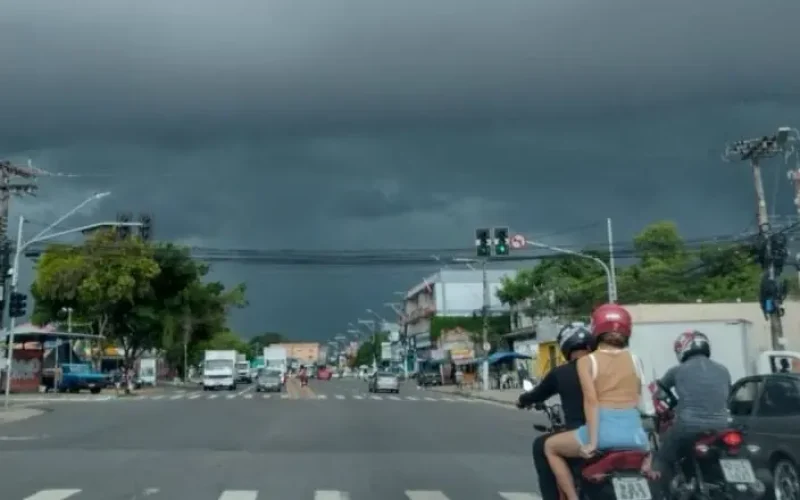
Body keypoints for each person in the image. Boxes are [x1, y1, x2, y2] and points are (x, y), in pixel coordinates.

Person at [544, 303, 650, 500]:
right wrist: (647, 446)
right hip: (635, 436)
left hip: (604, 434)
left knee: (550, 447)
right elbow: (639, 401)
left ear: (596, 329)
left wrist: (592, 442)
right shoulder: (636, 360)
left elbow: (591, 402)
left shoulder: (588, 361)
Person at [516, 322, 593, 500]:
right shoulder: (603, 368)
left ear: (566, 348)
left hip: (581, 433)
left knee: (541, 446)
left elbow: (537, 394)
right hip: (616, 432)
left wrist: (521, 400)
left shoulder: (561, 373)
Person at [654, 330, 731, 481]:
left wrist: (669, 405)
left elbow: (659, 394)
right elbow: (728, 395)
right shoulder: (723, 370)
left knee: (662, 458)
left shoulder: (677, 370)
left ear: (683, 348)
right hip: (722, 426)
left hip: (688, 425)